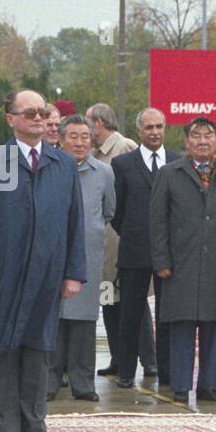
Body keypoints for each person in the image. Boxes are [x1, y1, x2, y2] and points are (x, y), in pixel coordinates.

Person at [0, 89, 87, 432]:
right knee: (7, 349)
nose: (38, 118)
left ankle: (35, 429)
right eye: (29, 112)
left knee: (39, 348)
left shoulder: (62, 163)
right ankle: (8, 431)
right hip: (6, 273)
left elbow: (75, 221)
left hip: (48, 273)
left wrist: (74, 272)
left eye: (42, 113)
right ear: (11, 119)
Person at [149, 116, 216, 403]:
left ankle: (210, 385)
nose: (202, 141)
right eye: (196, 135)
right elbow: (157, 221)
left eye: (208, 136)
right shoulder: (170, 173)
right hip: (180, 264)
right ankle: (180, 386)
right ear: (186, 141)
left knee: (214, 326)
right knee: (181, 325)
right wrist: (161, 261)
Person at [110, 108, 178, 389]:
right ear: (139, 131)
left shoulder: (177, 161)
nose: (155, 132)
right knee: (130, 314)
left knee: (168, 315)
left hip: (170, 253)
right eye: (149, 127)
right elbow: (116, 211)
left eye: (159, 126)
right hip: (134, 251)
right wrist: (133, 233)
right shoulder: (123, 164)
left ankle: (166, 370)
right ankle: (126, 371)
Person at [48, 115, 115, 402]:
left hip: (87, 255)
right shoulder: (49, 169)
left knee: (84, 322)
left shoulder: (104, 172)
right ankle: (50, 381)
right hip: (52, 254)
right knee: (53, 319)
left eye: (85, 136)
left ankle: (83, 383)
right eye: (73, 136)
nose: (80, 142)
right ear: (61, 140)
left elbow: (108, 211)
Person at [86, 102, 149, 379]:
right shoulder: (96, 153)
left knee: (133, 304)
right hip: (103, 243)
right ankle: (117, 357)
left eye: (88, 122)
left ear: (99, 123)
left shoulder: (124, 148)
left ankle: (148, 359)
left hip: (123, 243)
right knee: (109, 302)